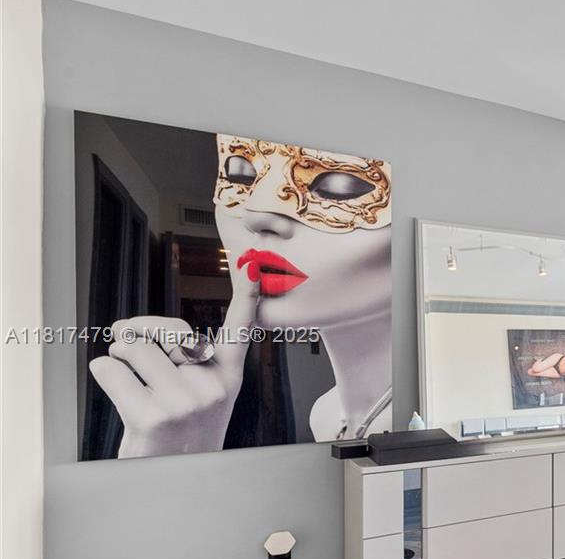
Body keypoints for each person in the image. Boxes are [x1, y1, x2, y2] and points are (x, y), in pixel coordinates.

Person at [88, 135, 394, 457]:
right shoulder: (323, 414)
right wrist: (186, 453)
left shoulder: (434, 414)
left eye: (339, 185)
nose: (255, 214)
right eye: (240, 174)